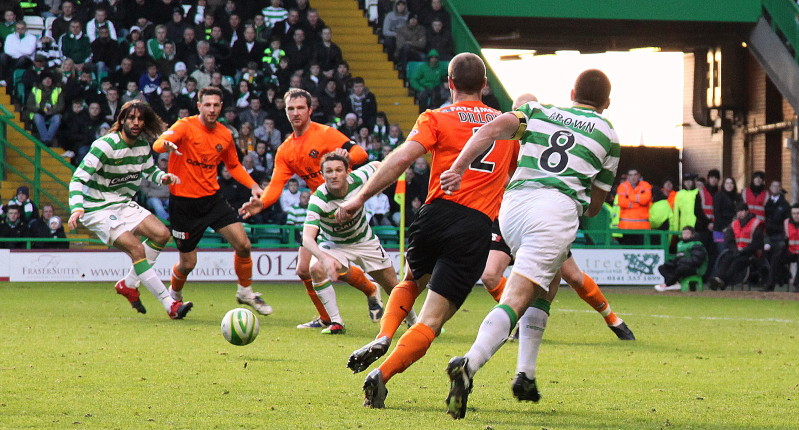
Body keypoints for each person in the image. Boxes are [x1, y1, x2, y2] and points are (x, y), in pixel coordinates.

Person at [336, 53, 517, 409]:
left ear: (449, 83)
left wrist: (359, 197)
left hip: (434, 214)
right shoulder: (507, 126)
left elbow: (403, 158)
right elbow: (511, 180)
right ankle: (383, 374)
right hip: (474, 225)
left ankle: (385, 335)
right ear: (485, 85)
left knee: (410, 280)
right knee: (432, 320)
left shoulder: (436, 117)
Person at [439, 69, 619, 419]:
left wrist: (458, 168)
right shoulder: (609, 134)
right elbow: (595, 206)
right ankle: (469, 365)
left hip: (513, 206)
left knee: (548, 284)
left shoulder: (538, 111)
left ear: (572, 92)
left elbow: (490, 130)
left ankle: (526, 375)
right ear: (607, 104)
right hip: (555, 210)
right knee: (518, 297)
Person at [239, 88, 376, 329]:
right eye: (290, 109)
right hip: (321, 207)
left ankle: (365, 294)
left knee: (326, 263)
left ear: (310, 110)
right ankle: (328, 317)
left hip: (344, 202)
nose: (295, 113)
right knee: (304, 269)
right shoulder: (286, 150)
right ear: (285, 111)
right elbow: (276, 185)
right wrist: (261, 203)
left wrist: (345, 159)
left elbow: (361, 153)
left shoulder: (324, 134)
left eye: (300, 108)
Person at [67, 100, 192, 319]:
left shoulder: (143, 145)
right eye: (131, 118)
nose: (136, 122)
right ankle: (170, 304)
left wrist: (163, 177)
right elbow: (78, 179)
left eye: (140, 119)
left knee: (162, 234)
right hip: (97, 209)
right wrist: (77, 207)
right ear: (122, 119)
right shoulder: (105, 146)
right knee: (137, 249)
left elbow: (149, 171)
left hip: (123, 203)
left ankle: (129, 284)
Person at [153, 87, 271, 315]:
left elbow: (234, 165)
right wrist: (164, 146)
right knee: (188, 264)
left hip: (212, 200)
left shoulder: (225, 134)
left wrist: (254, 185)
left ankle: (245, 291)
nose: (212, 109)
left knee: (243, 245)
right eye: (207, 104)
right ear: (199, 106)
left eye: (216, 105)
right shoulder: (184, 126)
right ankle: (174, 297)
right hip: (183, 204)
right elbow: (159, 143)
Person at [302, 155, 396, 334]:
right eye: (329, 171)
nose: (334, 175)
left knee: (392, 285)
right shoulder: (318, 200)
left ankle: (414, 321)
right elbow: (307, 238)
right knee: (315, 268)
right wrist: (324, 258)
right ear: (322, 175)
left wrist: (383, 184)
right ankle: (336, 323)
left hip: (365, 241)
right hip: (334, 245)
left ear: (347, 172)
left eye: (338, 170)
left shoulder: (359, 178)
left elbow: (379, 165)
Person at [709, 203, 766, 290]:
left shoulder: (756, 223)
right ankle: (719, 278)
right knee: (726, 259)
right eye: (738, 211)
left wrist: (744, 250)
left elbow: (758, 243)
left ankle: (723, 281)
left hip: (751, 253)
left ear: (747, 211)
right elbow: (728, 239)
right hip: (736, 250)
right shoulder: (734, 224)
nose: (739, 213)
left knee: (737, 263)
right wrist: (735, 250)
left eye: (742, 211)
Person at [654, 226, 708, 291]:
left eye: (687, 233)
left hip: (696, 269)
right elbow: (678, 257)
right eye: (683, 233)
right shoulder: (680, 244)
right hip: (683, 265)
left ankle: (668, 284)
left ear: (692, 235)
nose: (685, 235)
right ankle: (675, 284)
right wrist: (672, 262)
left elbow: (696, 261)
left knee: (681, 268)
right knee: (663, 267)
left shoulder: (697, 245)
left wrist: (680, 261)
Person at [762, 180, 791, 291]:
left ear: (780, 188)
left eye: (777, 186)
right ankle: (784, 275)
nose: (775, 188)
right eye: (773, 186)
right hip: (768, 235)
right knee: (765, 256)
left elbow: (787, 221)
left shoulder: (785, 204)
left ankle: (771, 284)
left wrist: (785, 236)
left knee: (776, 256)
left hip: (780, 236)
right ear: (770, 187)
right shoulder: (767, 202)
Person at [616, 168, 652, 245]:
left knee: (641, 252)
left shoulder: (646, 185)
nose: (633, 177)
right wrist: (638, 202)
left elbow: (646, 199)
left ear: (639, 175)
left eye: (635, 174)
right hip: (626, 227)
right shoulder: (622, 186)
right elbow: (622, 202)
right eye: (631, 175)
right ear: (627, 177)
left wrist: (630, 197)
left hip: (642, 228)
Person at [713, 177, 742, 257]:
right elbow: (717, 213)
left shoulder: (738, 197)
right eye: (727, 183)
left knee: (732, 253)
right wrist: (724, 228)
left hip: (733, 229)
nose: (729, 185)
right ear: (723, 185)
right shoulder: (718, 196)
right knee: (722, 253)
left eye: (731, 183)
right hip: (719, 230)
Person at [781, 204, 799, 292]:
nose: (796, 215)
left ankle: (797, 284)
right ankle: (771, 284)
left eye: (798, 213)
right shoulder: (787, 222)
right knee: (776, 257)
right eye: (794, 213)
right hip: (791, 251)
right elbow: (786, 239)